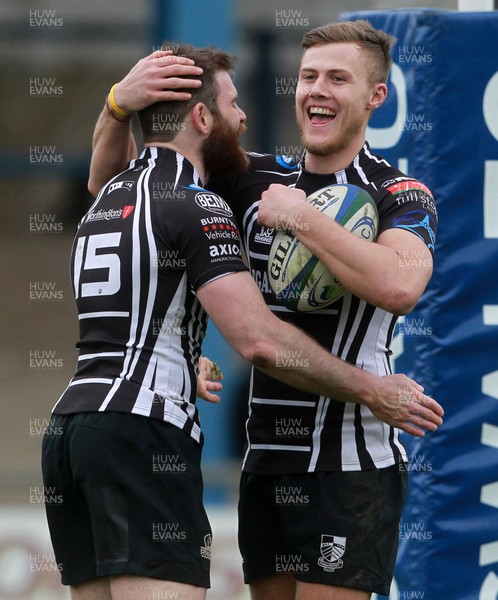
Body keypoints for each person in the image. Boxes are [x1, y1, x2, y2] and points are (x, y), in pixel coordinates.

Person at [86, 21, 442, 600]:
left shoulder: (399, 193)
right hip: (265, 461)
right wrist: (117, 108)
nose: (317, 90)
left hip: (348, 462)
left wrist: (301, 218)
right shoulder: (252, 177)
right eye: (307, 77)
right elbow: (117, 192)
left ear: (376, 97)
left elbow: (400, 286)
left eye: (337, 78)